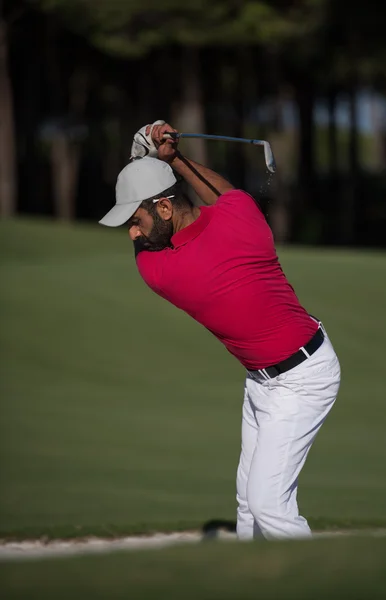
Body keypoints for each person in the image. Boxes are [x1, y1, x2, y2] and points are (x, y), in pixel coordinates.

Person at [99, 121, 341, 540]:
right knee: (249, 503)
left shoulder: (163, 271)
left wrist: (142, 160)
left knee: (267, 504)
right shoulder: (243, 218)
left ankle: (318, 576)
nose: (133, 234)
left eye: (134, 221)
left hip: (304, 379)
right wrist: (173, 160)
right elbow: (226, 195)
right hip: (262, 381)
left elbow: (168, 225)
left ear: (164, 209)